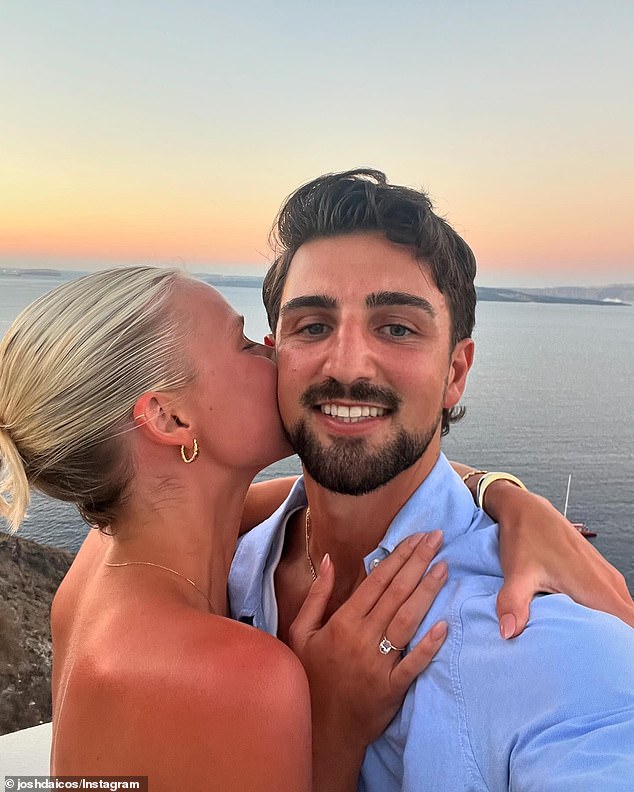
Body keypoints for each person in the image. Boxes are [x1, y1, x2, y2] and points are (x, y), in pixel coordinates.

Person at [228, 169, 634, 790]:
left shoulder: (542, 640)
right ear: (273, 352)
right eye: (312, 325)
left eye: (396, 327)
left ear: (455, 372)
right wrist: (501, 489)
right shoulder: (225, 567)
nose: (346, 364)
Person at [0, 268, 457, 791]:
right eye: (241, 344)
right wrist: (336, 727)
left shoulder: (112, 551)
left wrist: (500, 493)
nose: (271, 349)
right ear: (169, 420)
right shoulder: (236, 677)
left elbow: (347, 486)